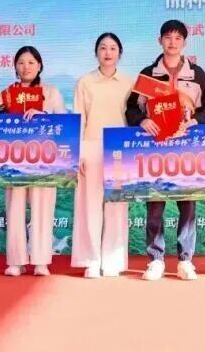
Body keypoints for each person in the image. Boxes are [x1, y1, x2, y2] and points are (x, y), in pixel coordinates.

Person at [126, 19, 205, 281]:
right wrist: (143, 120)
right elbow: (131, 109)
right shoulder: (148, 74)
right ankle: (156, 259)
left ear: (184, 42)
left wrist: (195, 121)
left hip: (187, 149)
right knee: (155, 204)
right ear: (160, 41)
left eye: (177, 38)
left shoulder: (197, 74)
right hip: (156, 149)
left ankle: (186, 260)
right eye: (168, 37)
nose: (172, 42)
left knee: (188, 204)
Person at [0, 46, 67, 277]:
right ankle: (16, 260)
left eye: (31, 62)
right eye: (21, 62)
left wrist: (43, 116)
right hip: (14, 162)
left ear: (39, 66)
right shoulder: (6, 93)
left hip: (44, 161)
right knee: (14, 209)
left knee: (42, 209)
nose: (26, 67)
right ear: (15, 67)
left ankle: (40, 260)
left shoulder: (51, 92)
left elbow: (64, 123)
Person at [70, 33, 132, 278]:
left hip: (119, 149)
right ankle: (91, 260)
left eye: (113, 48)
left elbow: (134, 118)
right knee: (89, 206)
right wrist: (78, 152)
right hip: (91, 147)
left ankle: (113, 260)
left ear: (120, 53)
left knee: (117, 207)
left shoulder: (129, 82)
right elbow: (79, 118)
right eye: (103, 48)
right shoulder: (85, 82)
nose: (108, 52)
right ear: (96, 52)